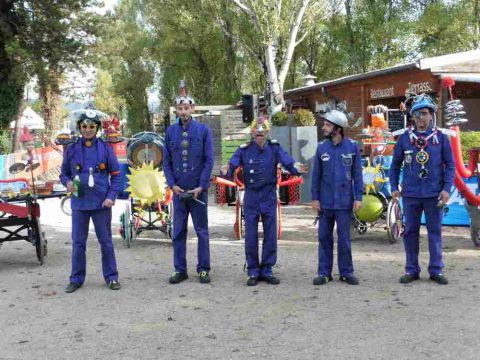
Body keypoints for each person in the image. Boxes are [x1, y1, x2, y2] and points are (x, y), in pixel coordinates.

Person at [221, 116, 308, 286]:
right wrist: (226, 169)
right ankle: (253, 271)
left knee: (270, 233)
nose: (259, 134)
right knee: (251, 235)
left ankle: (267, 269)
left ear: (267, 132)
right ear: (252, 132)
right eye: (256, 132)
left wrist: (297, 168)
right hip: (251, 195)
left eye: (263, 132)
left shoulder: (274, 148)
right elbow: (232, 164)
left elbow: (288, 162)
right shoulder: (244, 150)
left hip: (269, 195)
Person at [389, 94, 455, 285]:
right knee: (410, 232)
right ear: (412, 117)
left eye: (424, 113)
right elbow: (395, 166)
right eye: (417, 114)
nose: (420, 118)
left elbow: (450, 165)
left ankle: (436, 270)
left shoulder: (441, 138)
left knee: (434, 232)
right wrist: (394, 187)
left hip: (434, 193)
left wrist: (446, 189)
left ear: (431, 115)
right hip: (410, 194)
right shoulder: (404, 139)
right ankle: (412, 270)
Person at [60, 109, 123, 293]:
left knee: (106, 242)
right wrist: (68, 182)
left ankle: (111, 277)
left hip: (101, 203)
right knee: (78, 243)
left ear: (97, 128)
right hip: (79, 204)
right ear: (80, 127)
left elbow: (117, 176)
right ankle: (76, 279)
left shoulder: (105, 149)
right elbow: (63, 173)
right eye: (84, 126)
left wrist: (111, 197)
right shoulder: (71, 149)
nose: (88, 129)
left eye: (91, 126)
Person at [163, 81, 214, 284]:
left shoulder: (203, 131)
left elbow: (209, 160)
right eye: (180, 108)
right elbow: (166, 161)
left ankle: (203, 269)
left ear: (193, 109)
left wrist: (201, 186)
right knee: (178, 231)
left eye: (187, 108)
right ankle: (180, 269)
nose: (183, 112)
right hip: (178, 191)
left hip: (197, 191)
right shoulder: (170, 132)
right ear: (176, 110)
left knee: (201, 231)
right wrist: (171, 185)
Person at [311, 109, 363, 286]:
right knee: (324, 238)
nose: (323, 127)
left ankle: (346, 272)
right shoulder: (321, 148)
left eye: (327, 125)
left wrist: (359, 197)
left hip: (344, 202)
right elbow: (315, 176)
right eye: (324, 124)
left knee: (344, 239)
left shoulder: (352, 147)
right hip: (325, 203)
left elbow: (358, 174)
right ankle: (324, 273)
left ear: (338, 128)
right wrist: (315, 198)